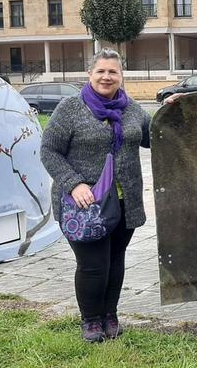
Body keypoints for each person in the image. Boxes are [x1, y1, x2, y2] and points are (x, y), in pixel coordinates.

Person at [41, 48, 151, 343]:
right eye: (100, 71)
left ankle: (110, 315)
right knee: (93, 265)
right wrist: (74, 183)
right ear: (90, 74)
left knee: (115, 261)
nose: (106, 76)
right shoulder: (70, 108)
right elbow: (49, 151)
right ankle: (91, 320)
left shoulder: (133, 110)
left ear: (121, 76)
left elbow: (157, 136)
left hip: (125, 202)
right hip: (84, 204)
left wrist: (175, 111)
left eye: (112, 71)